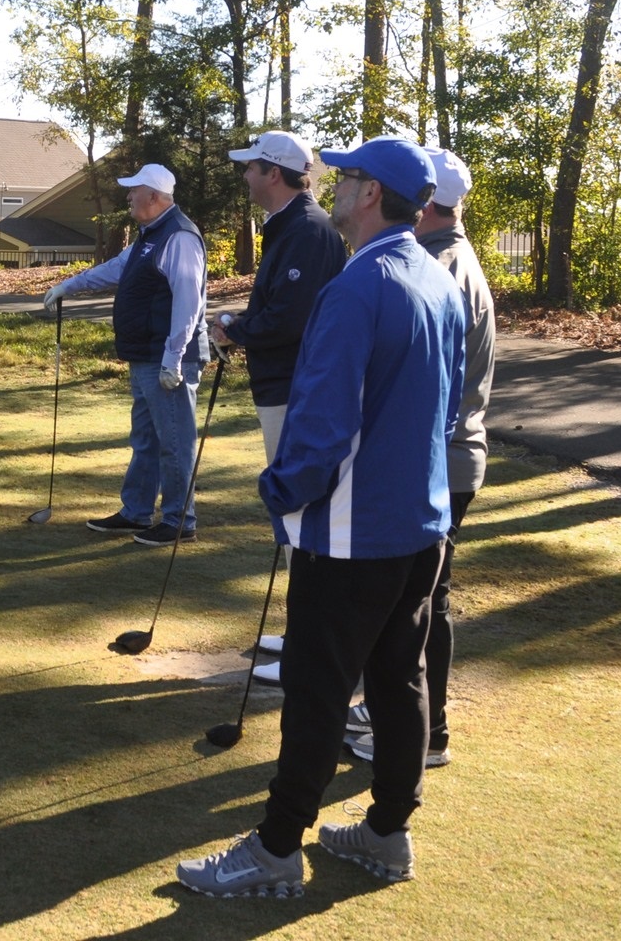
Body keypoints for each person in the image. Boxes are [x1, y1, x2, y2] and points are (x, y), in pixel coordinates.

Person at [175, 137, 466, 899]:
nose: (333, 185)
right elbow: (446, 406)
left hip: (351, 532)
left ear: (372, 194)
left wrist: (281, 490)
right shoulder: (436, 279)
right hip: (419, 525)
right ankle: (386, 834)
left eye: (347, 177)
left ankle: (275, 851)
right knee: (398, 680)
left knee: (315, 691)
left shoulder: (359, 285)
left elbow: (324, 422)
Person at [347, 145, 495, 770]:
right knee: (421, 599)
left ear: (426, 202)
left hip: (441, 457)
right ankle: (406, 716)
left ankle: (425, 731)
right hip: (446, 455)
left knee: (421, 604)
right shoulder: (447, 256)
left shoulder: (440, 265)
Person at [43, 164, 211, 546]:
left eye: (134, 190)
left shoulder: (179, 237)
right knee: (147, 439)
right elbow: (116, 270)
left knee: (173, 440)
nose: (128, 197)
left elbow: (188, 302)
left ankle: (179, 520)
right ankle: (136, 511)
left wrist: (173, 358)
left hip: (169, 359)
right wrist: (69, 285)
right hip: (146, 356)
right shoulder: (150, 236)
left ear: (154, 196)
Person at [214, 131, 346, 464]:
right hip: (287, 386)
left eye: (250, 168)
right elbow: (283, 304)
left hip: (297, 390)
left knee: (294, 504)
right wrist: (239, 323)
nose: (245, 176)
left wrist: (234, 331)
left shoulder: (307, 230)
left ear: (273, 174)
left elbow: (289, 320)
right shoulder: (293, 225)